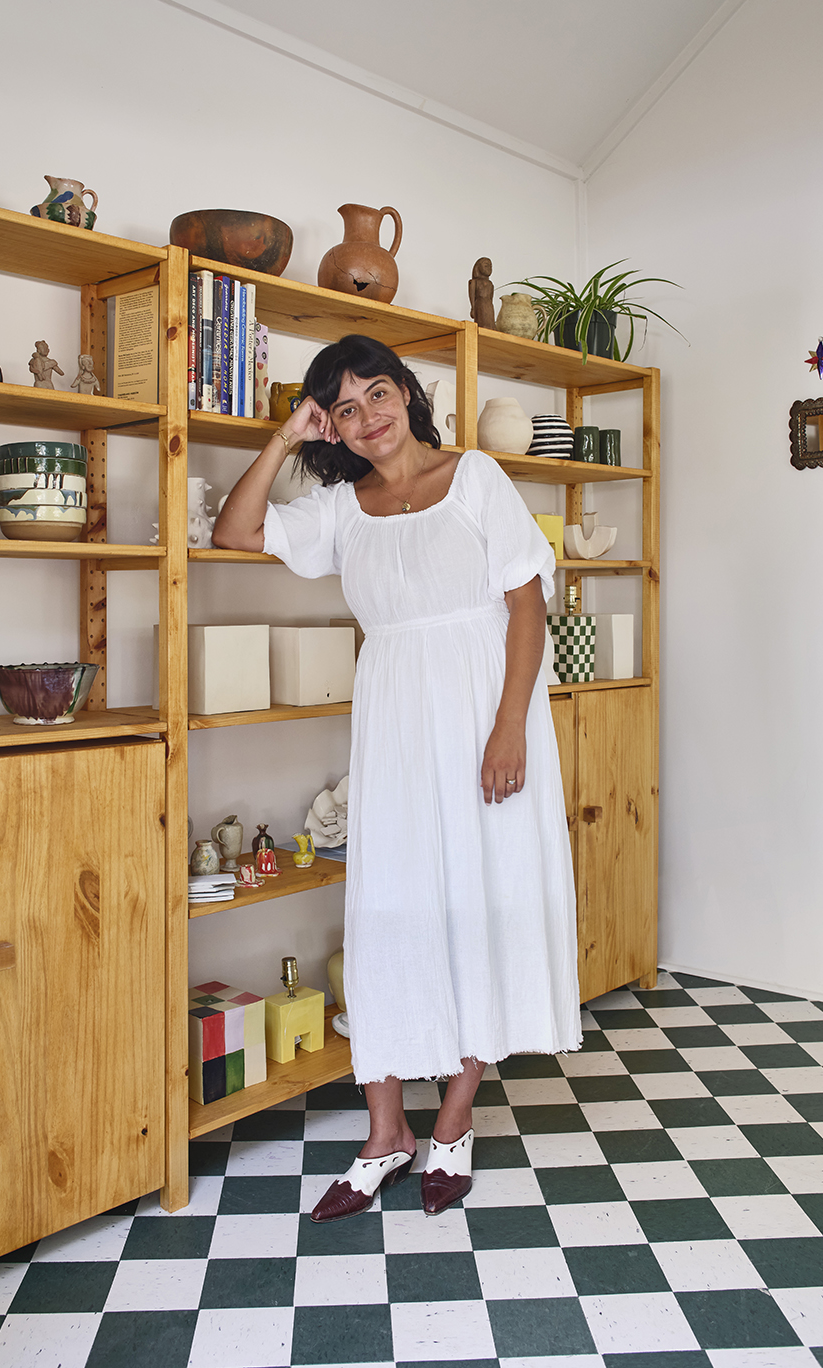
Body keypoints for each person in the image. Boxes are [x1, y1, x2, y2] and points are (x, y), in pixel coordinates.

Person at [213, 334, 580, 1220]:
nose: (368, 415)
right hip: (396, 733)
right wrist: (284, 436)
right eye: (344, 407)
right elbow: (237, 529)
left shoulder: (478, 478)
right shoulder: (342, 507)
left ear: (409, 395)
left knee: (473, 906)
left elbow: (526, 603)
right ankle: (387, 1133)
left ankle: (452, 1120)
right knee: (386, 912)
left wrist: (508, 727)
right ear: (329, 424)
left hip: (489, 721)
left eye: (379, 393)